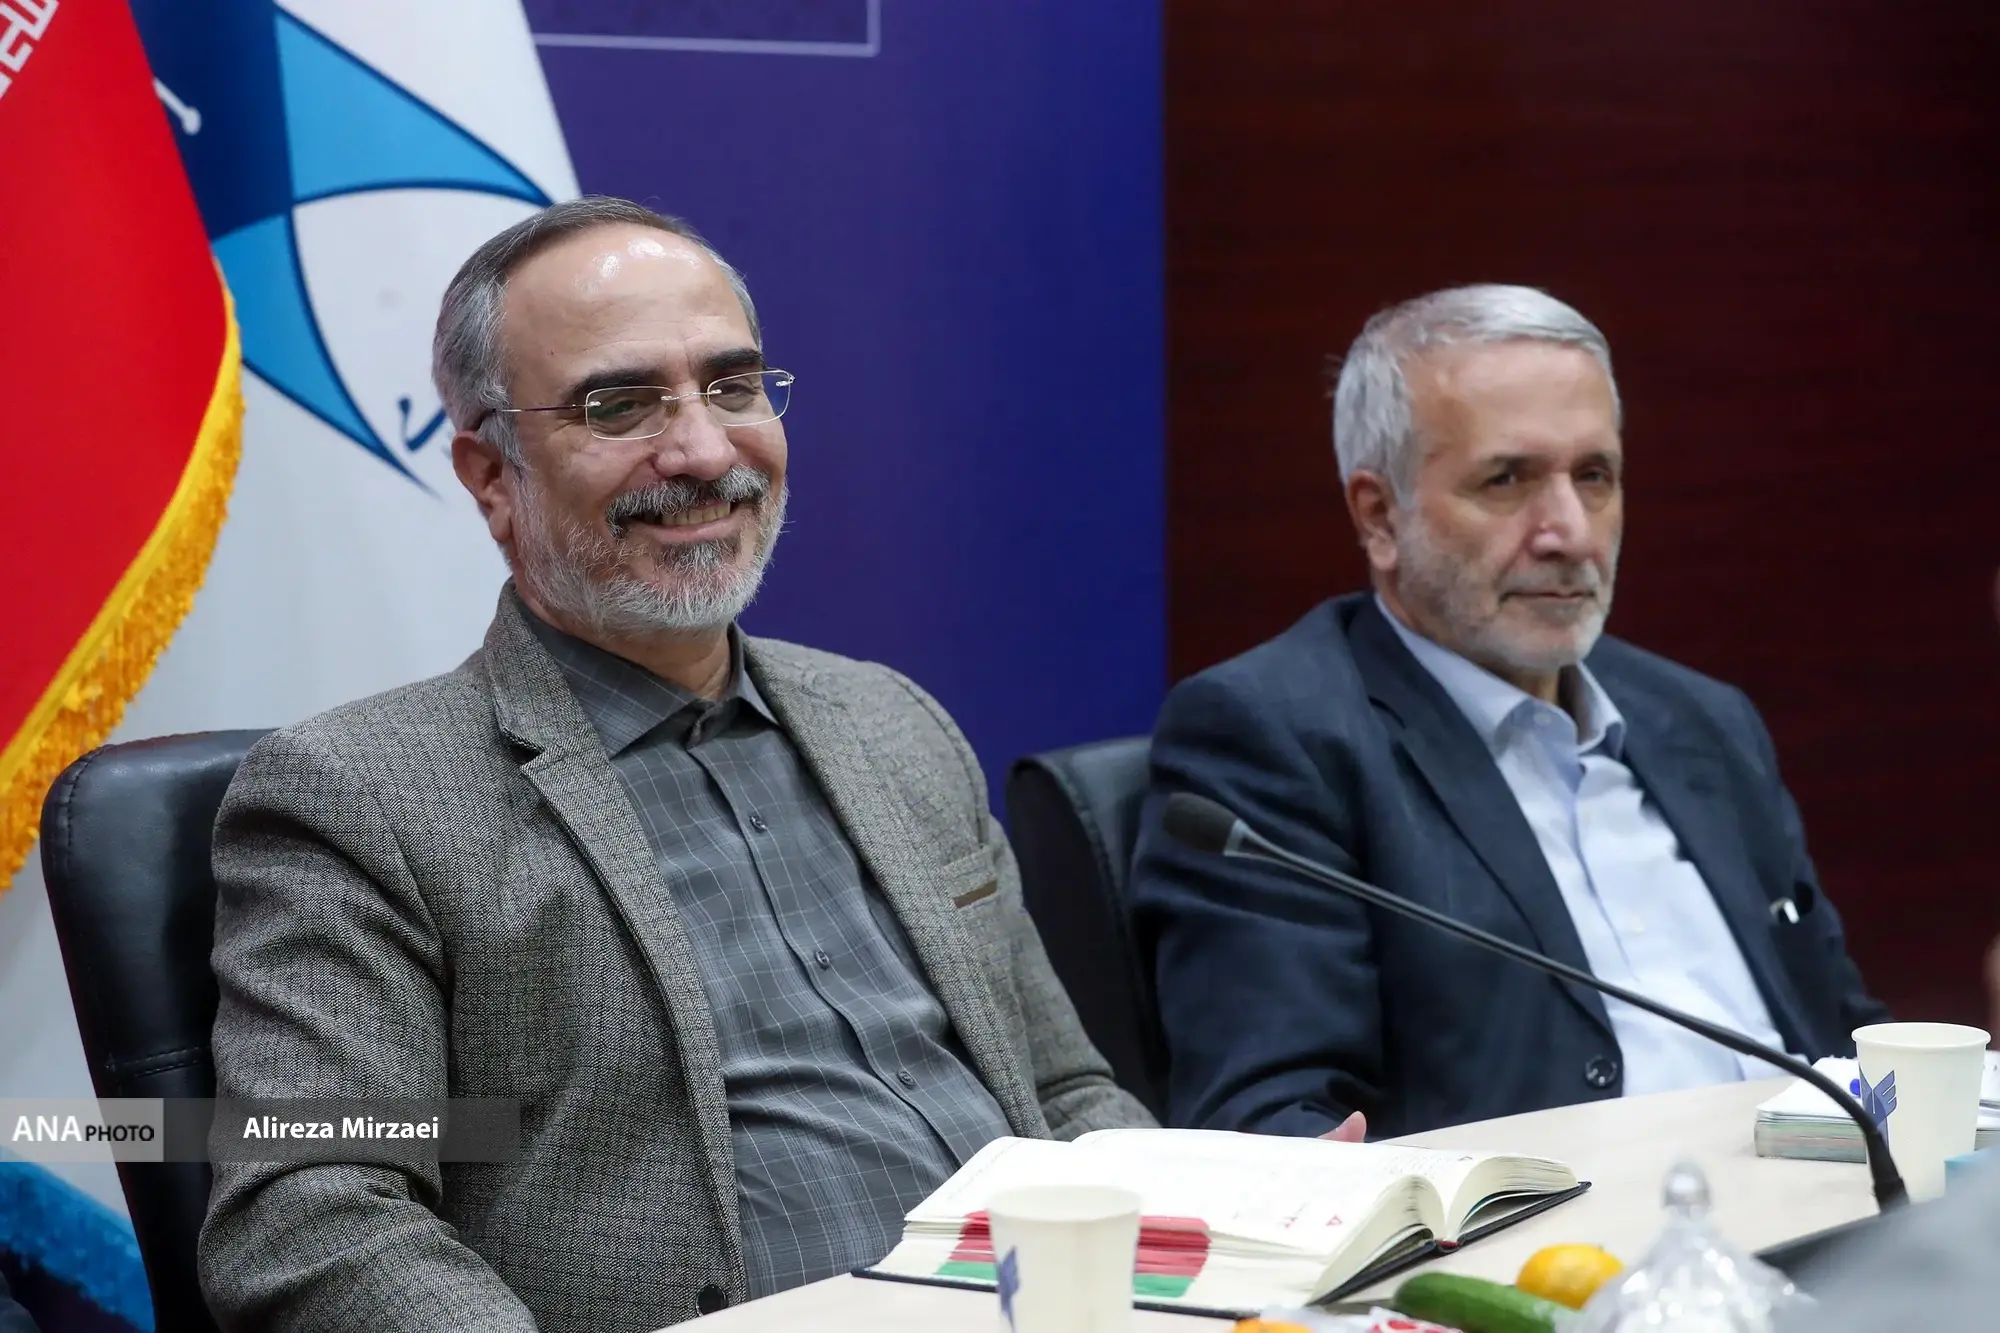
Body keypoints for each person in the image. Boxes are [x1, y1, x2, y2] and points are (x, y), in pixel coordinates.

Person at [197, 196, 1154, 1333]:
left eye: (732, 386)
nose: (703, 452)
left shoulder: (892, 721)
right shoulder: (361, 797)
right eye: (619, 404)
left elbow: (1062, 1091)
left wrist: (1249, 1232)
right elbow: (314, 1213)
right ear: (492, 475)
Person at [1129, 284, 1887, 1140]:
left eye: (1593, 477)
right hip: (1558, 1222)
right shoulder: (1277, 738)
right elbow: (1269, 1118)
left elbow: (1845, 1034)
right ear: (1380, 516)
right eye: (1507, 479)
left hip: (1838, 1201)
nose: (1570, 533)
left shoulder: (1705, 721)